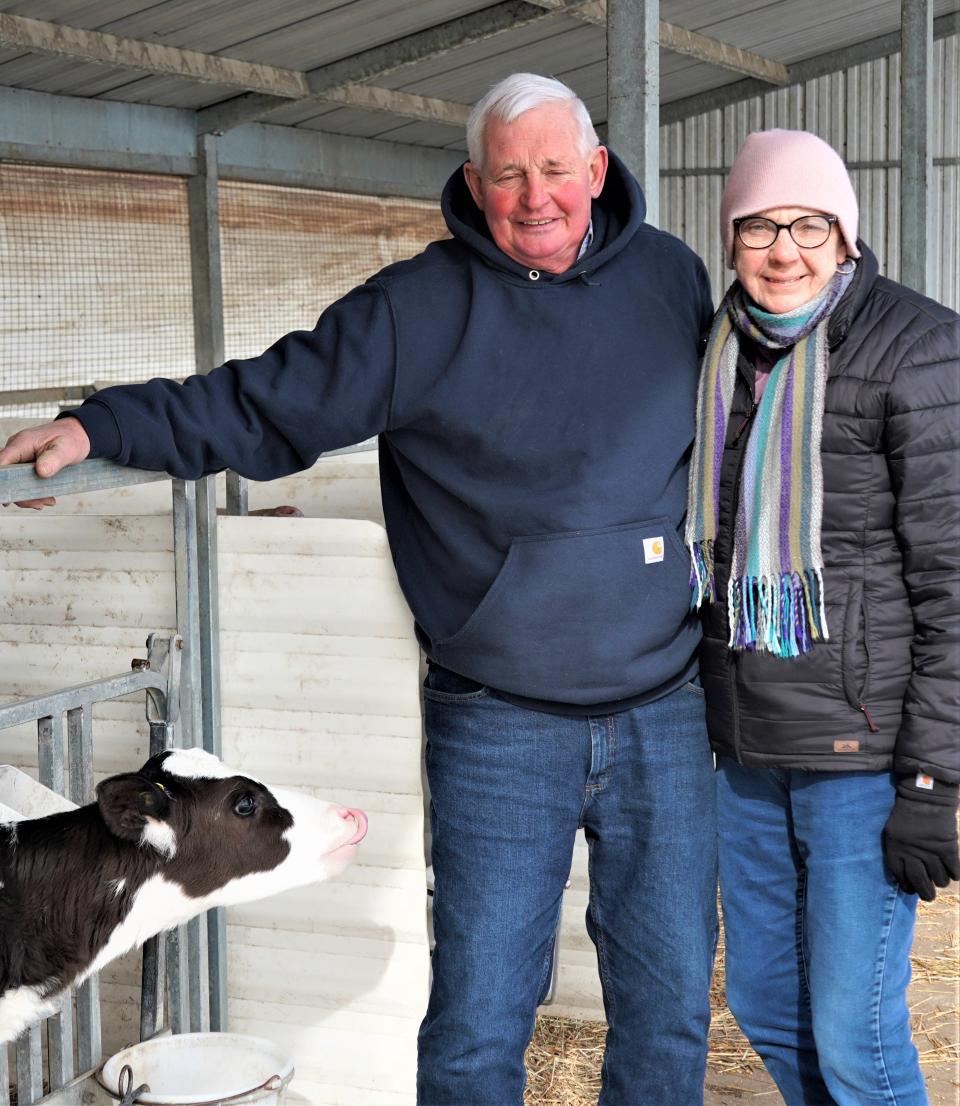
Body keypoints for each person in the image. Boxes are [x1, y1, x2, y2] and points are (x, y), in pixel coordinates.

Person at [1, 74, 716, 1106]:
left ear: (597, 170)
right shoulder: (416, 310)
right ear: (474, 182)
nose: (536, 195)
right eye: (509, 173)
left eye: (557, 168)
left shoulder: (670, 280)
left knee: (668, 997)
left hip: (665, 701)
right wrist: (103, 425)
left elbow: (768, 397)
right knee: (480, 1012)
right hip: (501, 715)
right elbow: (264, 402)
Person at [686, 128, 960, 1106]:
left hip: (865, 757)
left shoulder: (919, 348)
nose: (783, 248)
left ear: (844, 234)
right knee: (763, 997)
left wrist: (933, 776)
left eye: (807, 223)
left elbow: (953, 585)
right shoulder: (721, 350)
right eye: (758, 225)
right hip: (749, 751)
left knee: (857, 1030)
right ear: (731, 238)